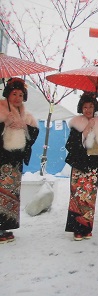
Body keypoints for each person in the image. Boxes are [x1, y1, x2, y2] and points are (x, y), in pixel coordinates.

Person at [0, 78, 39, 244]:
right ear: (7, 94)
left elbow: (34, 133)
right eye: (14, 94)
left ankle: (6, 226)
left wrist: (24, 126)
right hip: (2, 158)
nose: (17, 98)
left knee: (12, 195)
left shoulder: (26, 115)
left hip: (16, 160)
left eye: (21, 94)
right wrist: (4, 124)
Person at [65, 92, 98, 241]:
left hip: (93, 166)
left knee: (90, 199)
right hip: (79, 165)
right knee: (78, 198)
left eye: (91, 106)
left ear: (95, 107)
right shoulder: (76, 123)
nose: (88, 109)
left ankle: (87, 227)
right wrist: (85, 131)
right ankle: (77, 229)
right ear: (81, 108)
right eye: (85, 106)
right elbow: (70, 145)